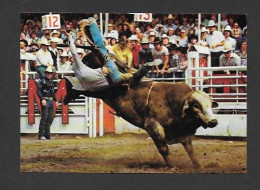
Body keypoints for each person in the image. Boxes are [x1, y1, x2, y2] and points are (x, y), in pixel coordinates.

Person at [36, 66, 59, 140]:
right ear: (46, 73)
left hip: (51, 101)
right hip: (45, 100)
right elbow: (38, 91)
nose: (49, 74)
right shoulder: (42, 81)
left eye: (51, 73)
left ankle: (47, 135)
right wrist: (42, 99)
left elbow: (52, 92)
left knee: (49, 118)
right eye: (48, 73)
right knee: (44, 118)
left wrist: (56, 100)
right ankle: (41, 135)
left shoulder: (51, 82)